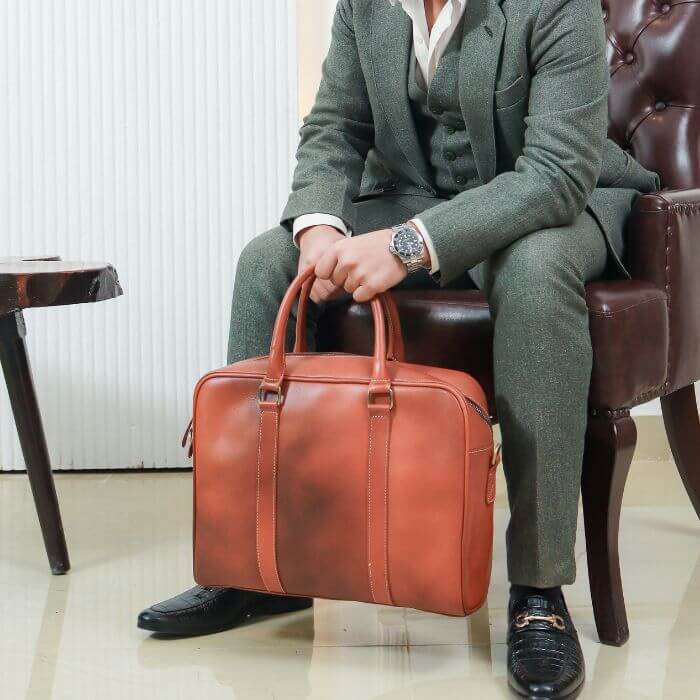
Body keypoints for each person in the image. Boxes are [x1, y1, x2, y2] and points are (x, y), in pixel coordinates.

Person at [138, 0, 660, 697]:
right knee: (267, 261)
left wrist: (408, 247)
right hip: (416, 193)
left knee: (534, 274)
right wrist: (319, 228)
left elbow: (557, 173)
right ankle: (252, 570)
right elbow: (336, 126)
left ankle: (540, 592)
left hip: (557, 199)